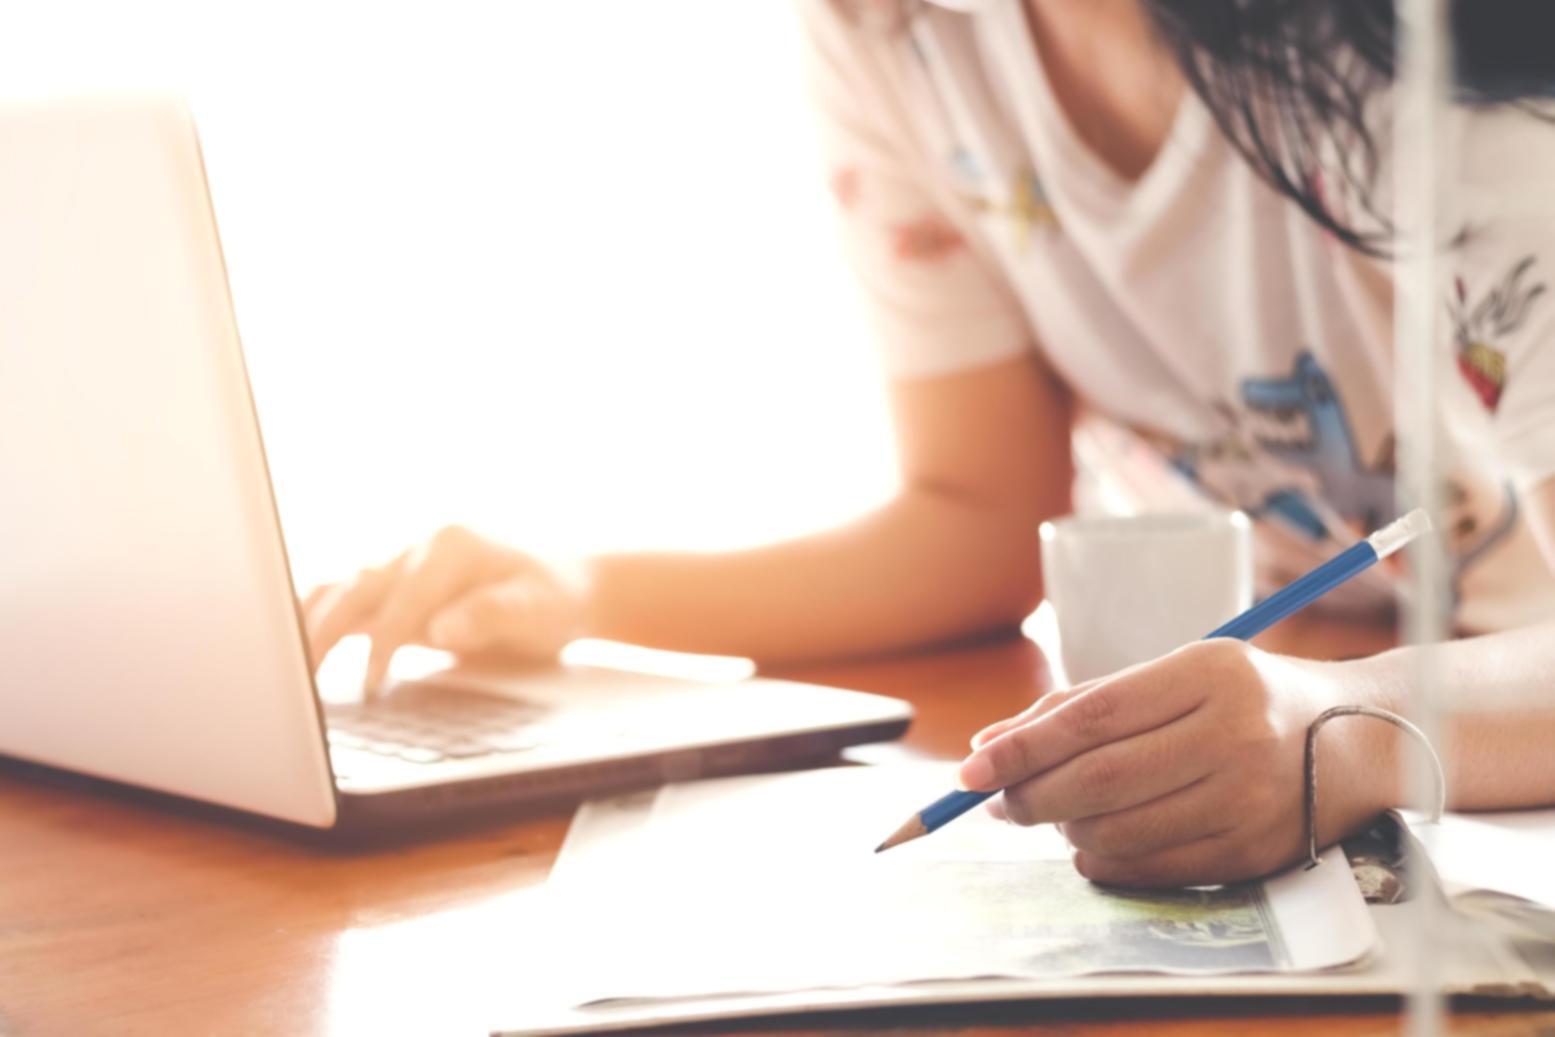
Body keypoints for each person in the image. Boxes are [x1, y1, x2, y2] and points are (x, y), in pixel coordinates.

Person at [304, 0, 1555, 887]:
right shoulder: (890, 24)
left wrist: (1345, 722)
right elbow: (975, 511)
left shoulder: (1458, 63)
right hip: (1279, 697)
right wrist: (588, 590)